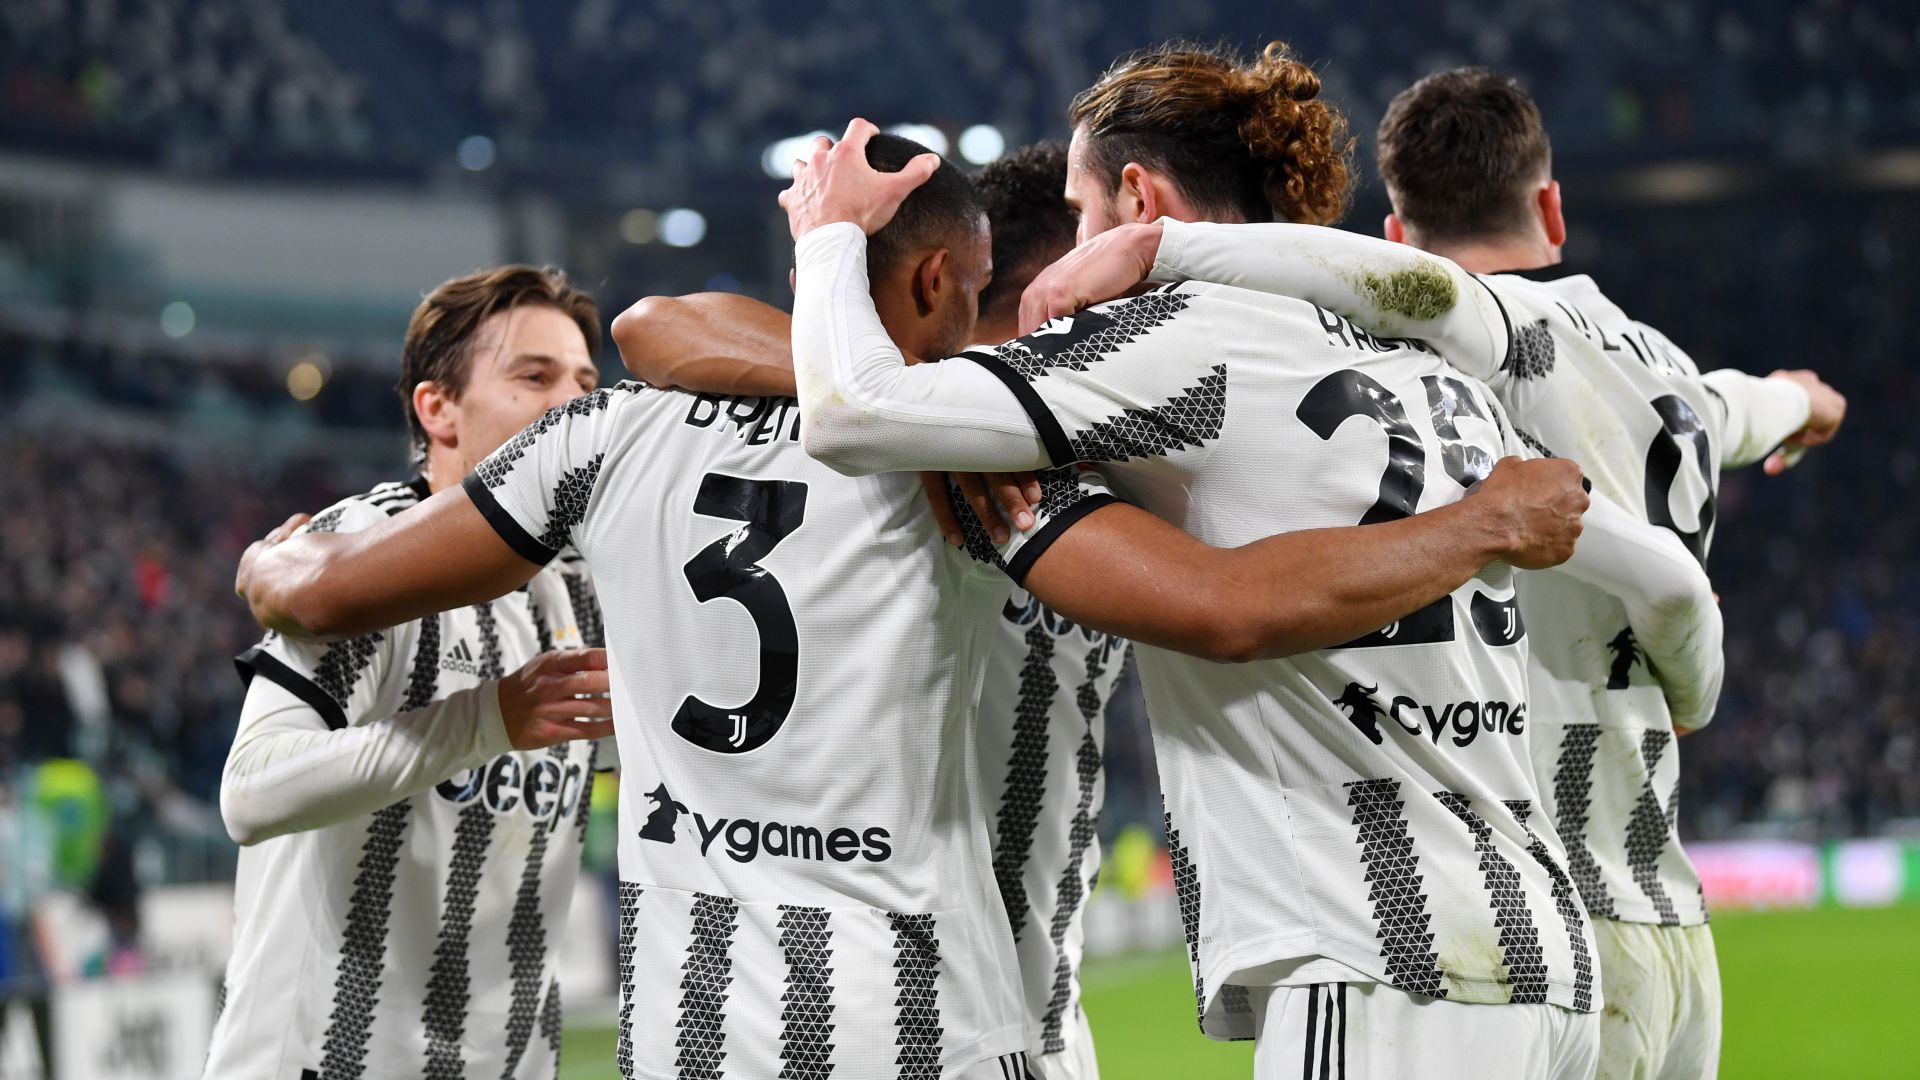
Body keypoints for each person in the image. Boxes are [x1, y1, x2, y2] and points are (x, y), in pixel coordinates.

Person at [234, 134, 1592, 1079]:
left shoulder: (612, 440)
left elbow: (654, 325)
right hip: (951, 1017)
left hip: (693, 1032)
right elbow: (1230, 605)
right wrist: (1475, 524)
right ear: (949, 286)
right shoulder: (993, 483)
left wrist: (281, 573)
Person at [777, 43, 1725, 1080]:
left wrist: (827, 236)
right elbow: (1647, 565)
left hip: (1379, 962)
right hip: (1544, 959)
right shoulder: (1418, 354)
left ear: (1136, 194)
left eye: (1080, 210)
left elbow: (850, 409)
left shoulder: (1173, 337)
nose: (1069, 249)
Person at [1038, 67, 1844, 1080]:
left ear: (1392, 242)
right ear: (1550, 206)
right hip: (1669, 915)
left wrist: (1166, 248)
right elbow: (1760, 406)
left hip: (1535, 911)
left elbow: (1411, 297)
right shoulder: (1670, 374)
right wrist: (1804, 403)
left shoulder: (1480, 344)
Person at [615, 141, 1123, 1078]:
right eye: (1096, 300)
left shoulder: (1103, 451)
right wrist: (900, 408)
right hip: (909, 1019)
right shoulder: (888, 451)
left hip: (1039, 1020)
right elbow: (656, 326)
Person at [205, 266, 615, 1080]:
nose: (574, 406)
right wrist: (487, 718)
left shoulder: (583, 592)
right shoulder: (355, 556)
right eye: (534, 377)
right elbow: (250, 790)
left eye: (585, 382)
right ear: (439, 409)